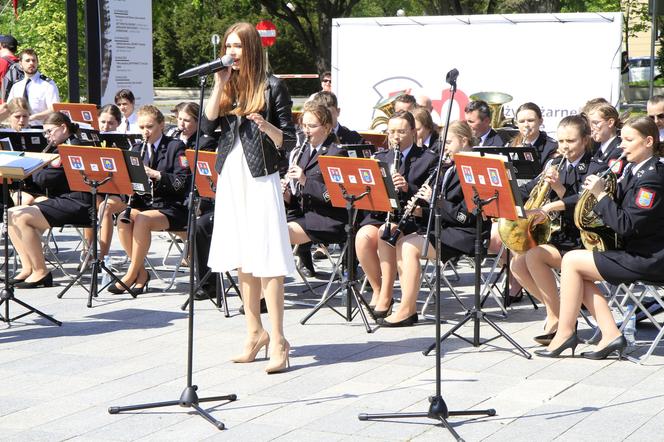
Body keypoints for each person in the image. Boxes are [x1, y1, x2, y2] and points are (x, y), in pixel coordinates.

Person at [201, 22, 296, 374]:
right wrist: (219, 83)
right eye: (228, 45)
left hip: (260, 177)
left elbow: (288, 138)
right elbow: (208, 126)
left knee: (267, 255)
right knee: (242, 255)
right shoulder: (227, 83)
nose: (232, 51)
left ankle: (280, 339)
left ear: (252, 48)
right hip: (231, 175)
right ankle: (254, 331)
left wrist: (265, 126)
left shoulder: (273, 86)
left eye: (238, 45)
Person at [538, 116, 664, 359]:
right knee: (576, 268)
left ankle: (566, 334)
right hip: (633, 252)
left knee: (573, 262)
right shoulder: (632, 169)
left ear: (648, 141)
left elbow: (626, 225)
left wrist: (601, 196)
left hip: (648, 258)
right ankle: (609, 334)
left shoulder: (653, 177)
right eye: (622, 139)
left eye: (628, 139)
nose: (622, 145)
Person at [384, 120, 478, 327]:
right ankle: (406, 305)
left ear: (463, 141)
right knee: (401, 242)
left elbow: (467, 216)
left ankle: (407, 309)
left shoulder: (473, 169)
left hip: (465, 233)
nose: (443, 148)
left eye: (448, 143)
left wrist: (435, 200)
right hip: (447, 228)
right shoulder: (449, 167)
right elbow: (440, 211)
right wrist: (420, 211)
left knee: (409, 246)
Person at [509, 115, 593, 345]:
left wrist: (557, 189)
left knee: (534, 256)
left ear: (585, 140)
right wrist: (507, 195)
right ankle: (557, 313)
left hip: (583, 238)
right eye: (562, 141)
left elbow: (587, 201)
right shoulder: (556, 163)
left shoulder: (595, 165)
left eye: (571, 141)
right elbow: (531, 187)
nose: (565, 146)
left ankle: (558, 318)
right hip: (559, 235)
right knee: (517, 264)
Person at [355, 110, 436, 320]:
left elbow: (429, 197)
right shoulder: (380, 157)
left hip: (410, 219)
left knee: (385, 232)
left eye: (400, 131)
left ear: (412, 131)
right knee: (362, 237)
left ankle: (387, 295)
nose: (395, 137)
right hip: (382, 213)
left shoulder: (427, 159)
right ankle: (378, 288)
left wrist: (407, 187)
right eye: (391, 132)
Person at [111, 105, 190, 295]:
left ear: (161, 125)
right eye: (142, 127)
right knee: (124, 218)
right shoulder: (137, 149)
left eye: (150, 126)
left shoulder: (175, 146)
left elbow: (182, 182)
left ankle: (131, 274)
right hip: (146, 204)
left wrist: (157, 175)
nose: (145, 131)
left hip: (171, 207)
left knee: (142, 219)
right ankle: (141, 272)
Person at [8, 112, 91, 288]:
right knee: (11, 214)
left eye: (49, 131)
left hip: (78, 203)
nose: (47, 136)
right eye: (45, 133)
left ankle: (41, 272)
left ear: (63, 128)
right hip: (63, 200)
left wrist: (38, 168)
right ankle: (28, 267)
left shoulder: (74, 147)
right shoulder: (58, 147)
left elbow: (45, 178)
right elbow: (42, 175)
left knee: (21, 216)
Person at [81, 104, 127, 263]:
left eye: (111, 123)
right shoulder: (90, 140)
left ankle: (102, 257)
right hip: (98, 188)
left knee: (105, 207)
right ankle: (88, 250)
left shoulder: (125, 142)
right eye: (103, 122)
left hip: (120, 192)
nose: (106, 126)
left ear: (118, 124)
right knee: (91, 202)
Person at [6, 49, 59, 126]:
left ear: (37, 63)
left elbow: (54, 109)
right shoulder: (16, 86)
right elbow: (9, 109)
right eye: (27, 60)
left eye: (34, 60)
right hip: (19, 129)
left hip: (40, 129)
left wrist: (33, 117)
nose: (31, 63)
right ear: (20, 64)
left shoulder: (48, 84)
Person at [508, 102, 557, 168]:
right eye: (522, 121)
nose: (526, 125)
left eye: (530, 120)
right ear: (517, 124)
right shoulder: (511, 145)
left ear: (540, 121)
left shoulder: (552, 147)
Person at [586, 102, 623, 173]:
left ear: (610, 123)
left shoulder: (619, 150)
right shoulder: (596, 148)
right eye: (589, 124)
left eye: (595, 123)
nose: (591, 128)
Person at [0, 34, 19, 103]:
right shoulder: (22, 63)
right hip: (19, 106)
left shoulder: (1, 62)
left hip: (3, 107)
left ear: (1, 45)